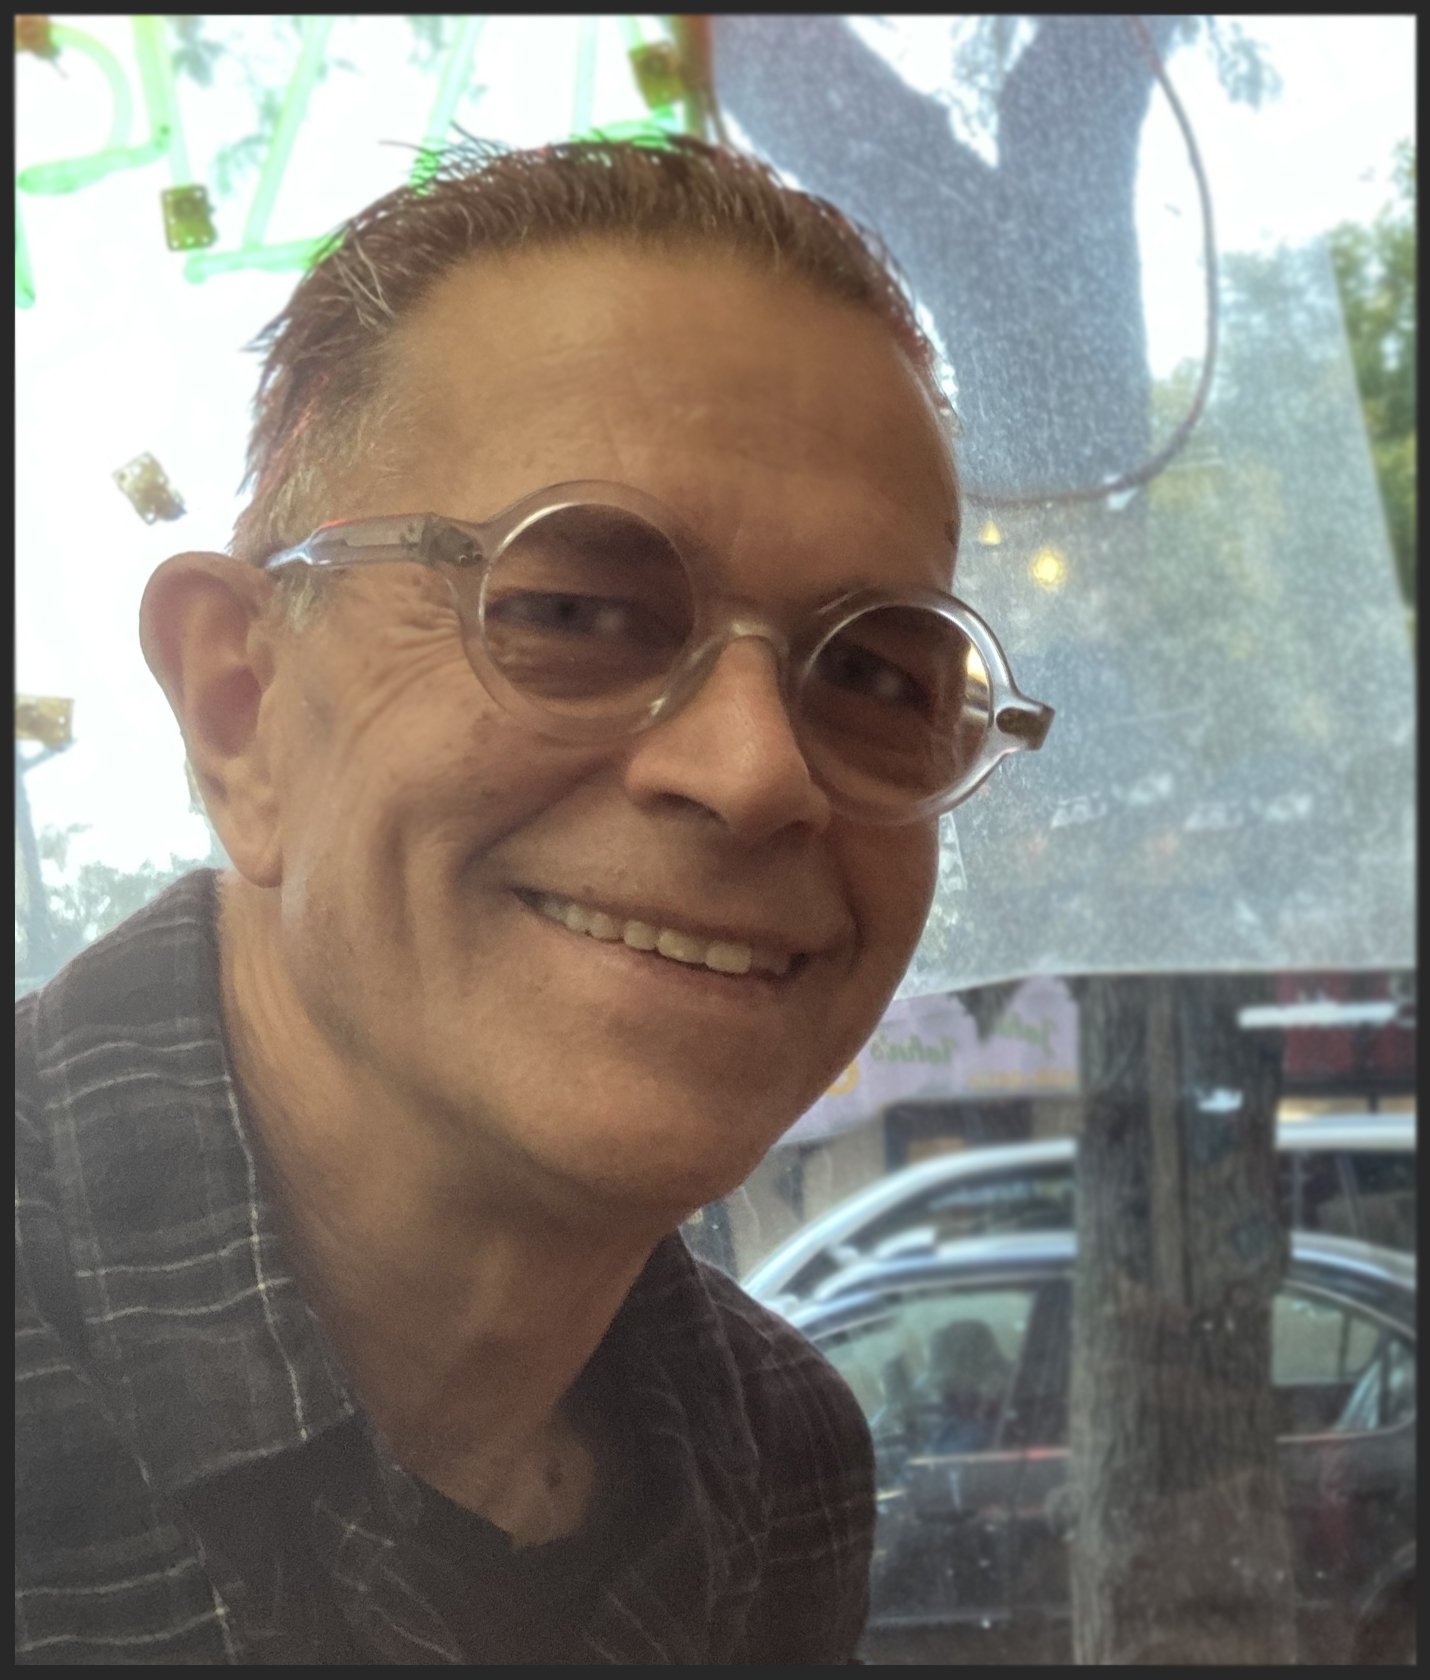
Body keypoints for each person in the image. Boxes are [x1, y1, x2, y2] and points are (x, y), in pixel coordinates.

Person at [16, 135, 1050, 1664]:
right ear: (242, 709)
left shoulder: (781, 1455)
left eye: (879, 677)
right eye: (574, 608)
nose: (758, 771)